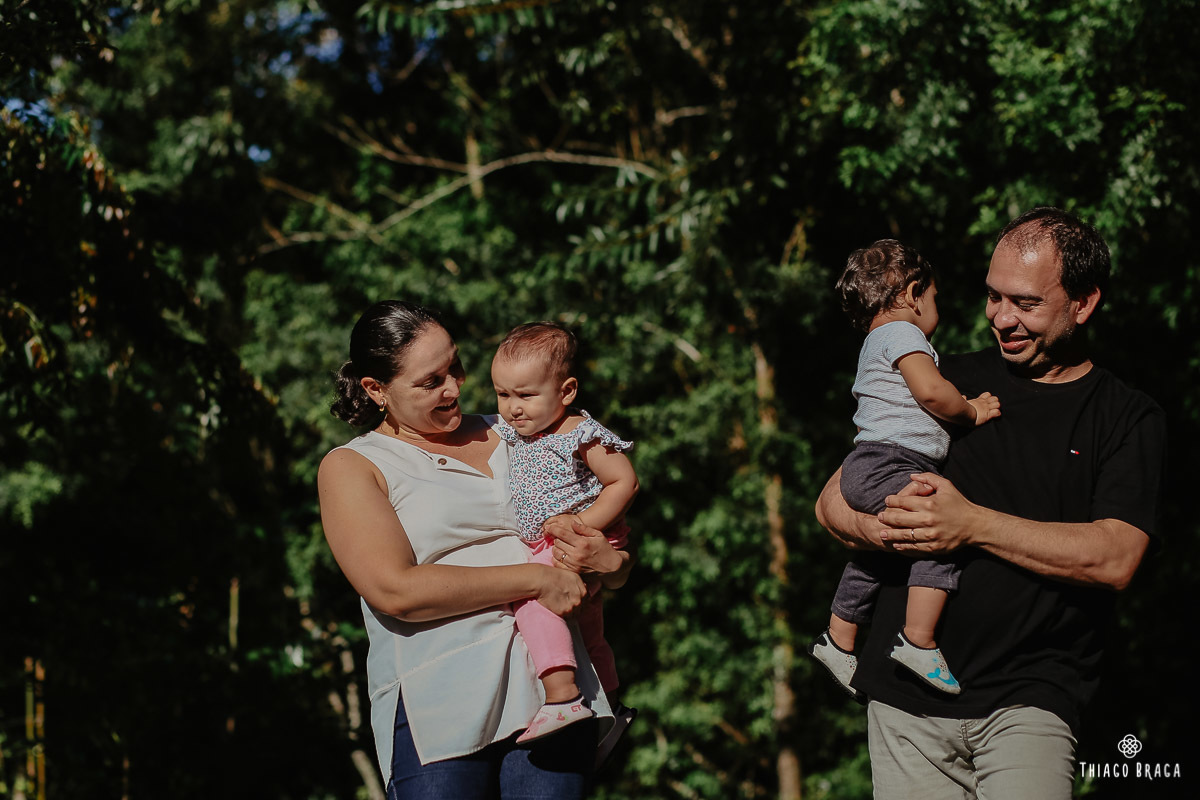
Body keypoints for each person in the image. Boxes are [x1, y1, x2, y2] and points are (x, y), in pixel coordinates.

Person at [814, 207, 1164, 800]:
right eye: (992, 297)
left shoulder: (1126, 416)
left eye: (1025, 303)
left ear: (1083, 304)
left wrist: (970, 526)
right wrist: (897, 529)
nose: (1001, 318)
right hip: (905, 706)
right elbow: (831, 504)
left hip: (1032, 700)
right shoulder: (940, 382)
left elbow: (1116, 557)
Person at [317, 301, 632, 800]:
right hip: (439, 703)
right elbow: (395, 590)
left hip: (553, 689)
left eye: (456, 367)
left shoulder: (519, 430)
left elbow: (600, 553)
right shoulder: (356, 466)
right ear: (376, 389)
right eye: (431, 381)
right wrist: (536, 579)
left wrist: (611, 566)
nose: (455, 388)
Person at [808, 240, 1000, 702]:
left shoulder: (876, 339)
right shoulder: (904, 335)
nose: (936, 310)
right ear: (914, 293)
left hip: (867, 465)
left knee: (879, 552)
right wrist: (972, 411)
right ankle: (918, 640)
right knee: (935, 530)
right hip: (891, 461)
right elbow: (932, 393)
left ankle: (838, 639)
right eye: (934, 298)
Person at [490, 322, 640, 743]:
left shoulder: (579, 433)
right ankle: (610, 701)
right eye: (503, 395)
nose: (513, 408)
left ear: (567, 391)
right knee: (589, 627)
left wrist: (582, 526)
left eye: (525, 395)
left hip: (582, 540)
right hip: (557, 543)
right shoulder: (518, 431)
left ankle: (563, 697)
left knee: (533, 598)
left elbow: (624, 482)